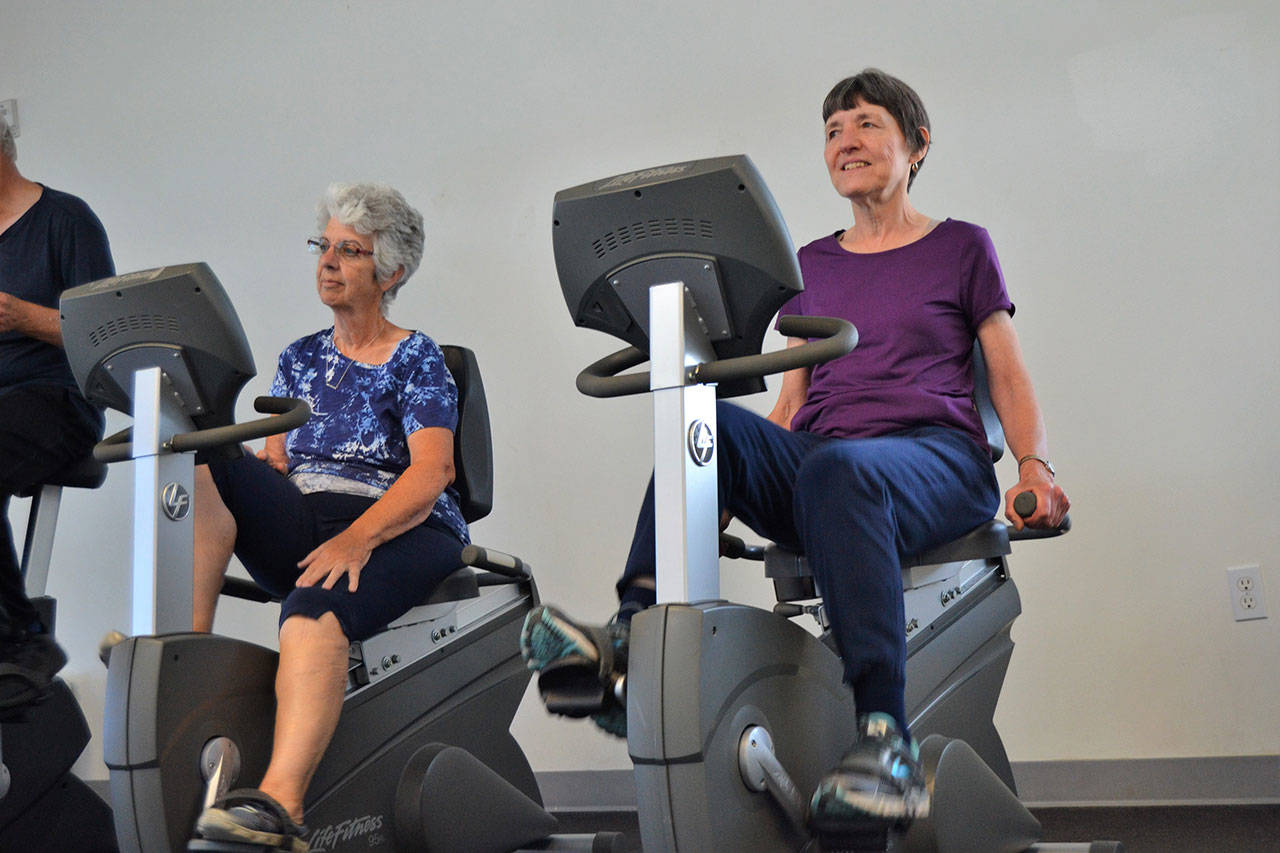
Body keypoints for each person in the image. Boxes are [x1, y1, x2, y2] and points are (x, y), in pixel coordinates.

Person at [520, 69, 1070, 835]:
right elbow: (791, 402)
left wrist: (1034, 469)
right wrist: (722, 476)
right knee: (706, 422)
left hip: (936, 458)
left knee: (835, 467)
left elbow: (1006, 370)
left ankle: (887, 742)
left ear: (916, 144)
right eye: (833, 129)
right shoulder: (812, 264)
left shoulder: (959, 247)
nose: (847, 139)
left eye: (868, 123)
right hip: (832, 464)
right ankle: (626, 645)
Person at [191, 183, 468, 851]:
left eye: (351, 250)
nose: (329, 261)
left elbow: (433, 473)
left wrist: (356, 539)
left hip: (400, 521)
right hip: (308, 514)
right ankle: (188, 646)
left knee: (312, 610)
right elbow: (277, 463)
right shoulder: (299, 357)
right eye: (325, 246)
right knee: (202, 447)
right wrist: (257, 476)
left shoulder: (416, 357)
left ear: (391, 272)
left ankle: (281, 807)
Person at [0, 112, 113, 708]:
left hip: (56, 402)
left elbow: (109, 336)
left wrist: (24, 317)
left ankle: (21, 637)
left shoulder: (65, 220)